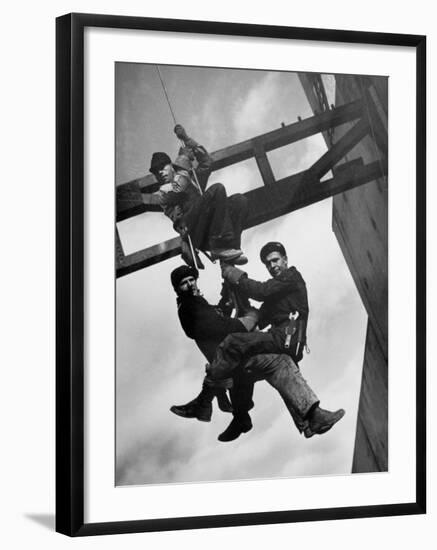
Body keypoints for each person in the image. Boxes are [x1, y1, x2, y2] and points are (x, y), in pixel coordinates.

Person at [205, 241, 345, 440]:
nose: (272, 266)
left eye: (275, 260)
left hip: (286, 337)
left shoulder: (291, 277)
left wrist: (232, 273)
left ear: (285, 260)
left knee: (233, 342)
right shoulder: (277, 292)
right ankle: (310, 419)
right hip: (283, 341)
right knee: (245, 366)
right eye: (268, 264)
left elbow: (260, 291)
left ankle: (210, 388)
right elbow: (258, 319)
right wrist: (233, 294)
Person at [169, 265, 258, 439]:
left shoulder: (195, 302)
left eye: (191, 280)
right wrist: (243, 323)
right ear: (177, 289)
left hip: (223, 354)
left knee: (238, 382)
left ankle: (231, 414)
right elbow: (214, 325)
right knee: (238, 376)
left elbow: (213, 318)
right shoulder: (188, 305)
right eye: (184, 283)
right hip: (223, 352)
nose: (190, 284)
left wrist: (225, 301)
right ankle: (219, 409)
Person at [149, 125, 248, 264]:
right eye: (156, 171)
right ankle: (219, 247)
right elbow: (178, 188)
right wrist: (183, 158)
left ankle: (230, 251)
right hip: (192, 230)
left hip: (209, 228)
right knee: (217, 189)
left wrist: (187, 140)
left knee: (240, 200)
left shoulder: (190, 179)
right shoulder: (162, 193)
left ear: (171, 166)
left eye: (162, 167)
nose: (160, 172)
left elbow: (206, 163)